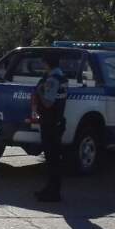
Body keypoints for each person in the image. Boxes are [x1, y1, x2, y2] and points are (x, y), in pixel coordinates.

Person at [34, 53, 68, 202]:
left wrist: (40, 91)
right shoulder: (62, 77)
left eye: (43, 63)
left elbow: (48, 103)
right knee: (54, 159)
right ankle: (51, 189)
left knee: (52, 159)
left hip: (50, 123)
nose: (42, 66)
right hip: (57, 121)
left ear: (48, 63)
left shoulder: (52, 80)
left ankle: (53, 192)